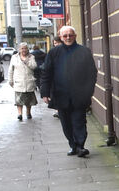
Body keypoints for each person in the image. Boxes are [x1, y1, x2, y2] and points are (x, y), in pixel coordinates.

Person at [39, 26, 97, 157]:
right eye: (65, 36)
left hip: (80, 95)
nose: (68, 38)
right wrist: (45, 92)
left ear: (75, 36)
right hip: (60, 95)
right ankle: (72, 145)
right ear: (61, 37)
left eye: (70, 35)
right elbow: (46, 73)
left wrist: (88, 91)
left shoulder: (84, 51)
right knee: (66, 124)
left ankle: (80, 146)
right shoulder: (54, 53)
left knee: (79, 121)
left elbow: (92, 73)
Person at [7, 43, 38, 121]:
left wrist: (26, 61)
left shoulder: (31, 57)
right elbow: (11, 70)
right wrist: (10, 80)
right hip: (19, 82)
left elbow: (34, 66)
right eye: (22, 48)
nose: (24, 50)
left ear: (28, 49)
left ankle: (28, 112)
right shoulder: (14, 57)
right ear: (19, 49)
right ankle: (20, 114)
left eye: (25, 48)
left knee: (29, 100)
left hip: (29, 82)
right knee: (19, 100)